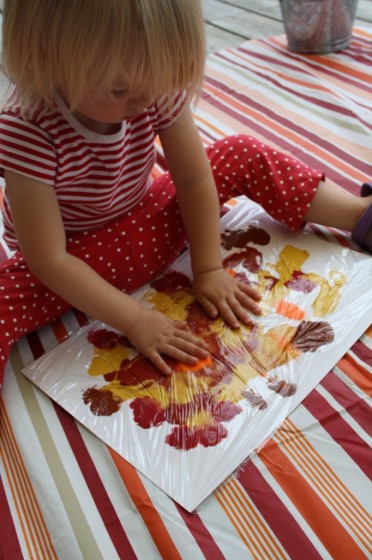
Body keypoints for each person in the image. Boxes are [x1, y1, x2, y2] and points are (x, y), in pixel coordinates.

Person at [0, 0, 371, 388]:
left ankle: (358, 213)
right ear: (44, 58)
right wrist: (134, 318)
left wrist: (208, 268)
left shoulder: (151, 83)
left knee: (239, 151)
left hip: (149, 222)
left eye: (158, 84)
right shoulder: (27, 129)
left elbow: (194, 181)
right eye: (121, 90)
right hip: (81, 264)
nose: (145, 102)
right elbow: (49, 259)